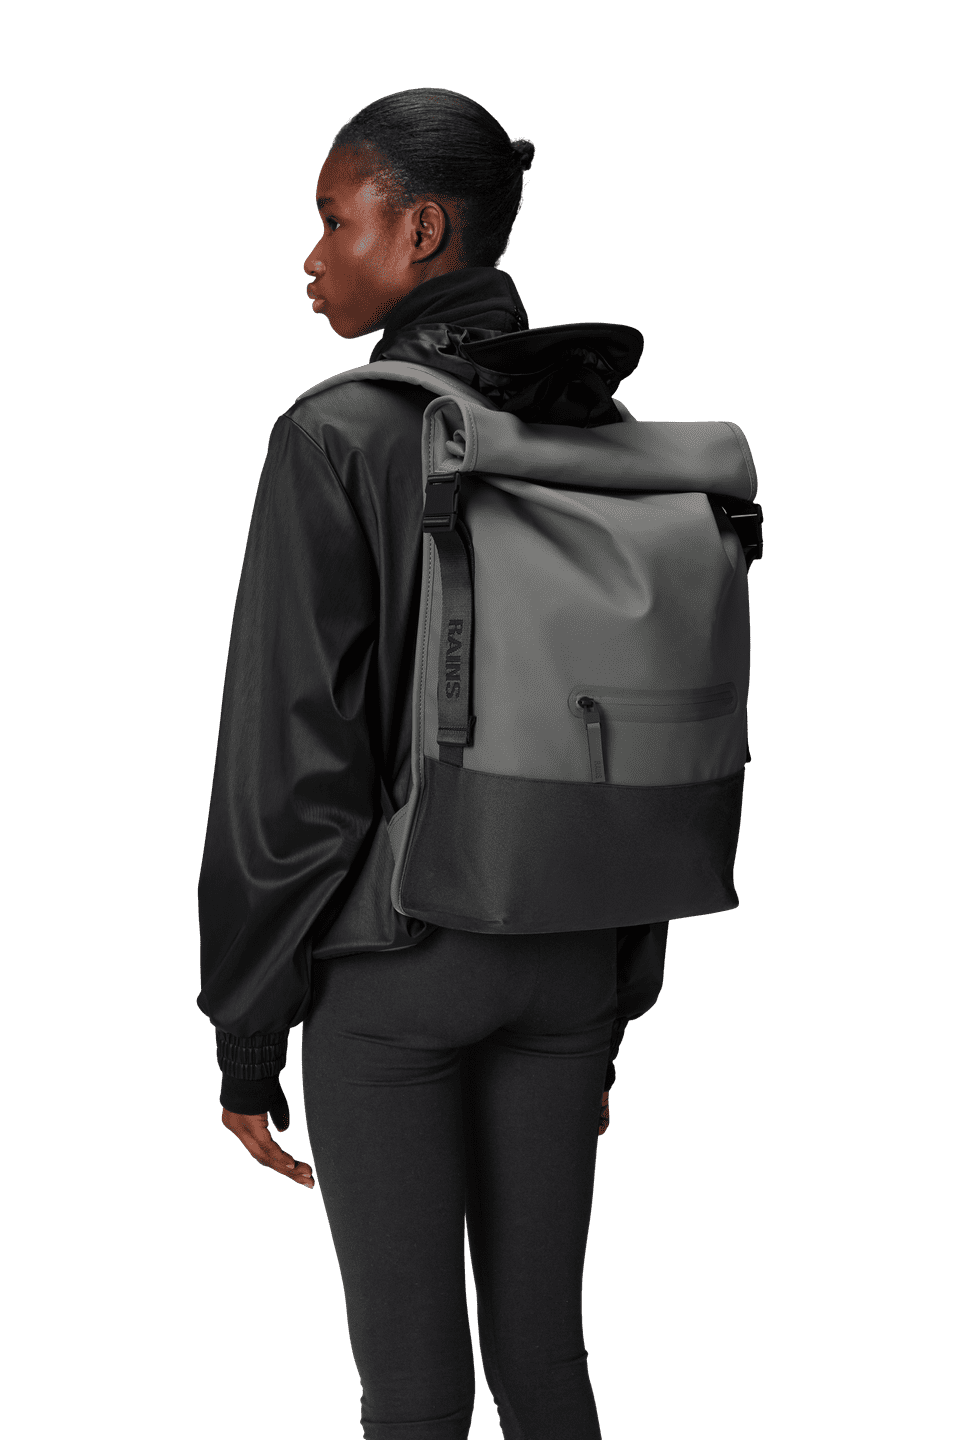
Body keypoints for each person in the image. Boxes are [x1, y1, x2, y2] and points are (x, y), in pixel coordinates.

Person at [197, 88, 668, 1440]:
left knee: (412, 1392)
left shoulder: (335, 432)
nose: (312, 256)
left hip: (397, 960)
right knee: (549, 1363)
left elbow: (291, 763)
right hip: (573, 956)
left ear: (417, 230)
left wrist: (247, 1034)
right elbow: (634, 733)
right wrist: (612, 1002)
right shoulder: (598, 430)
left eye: (333, 220)